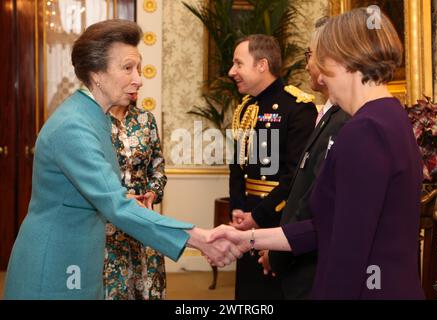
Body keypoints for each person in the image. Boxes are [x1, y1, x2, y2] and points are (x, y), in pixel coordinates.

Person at [3, 19, 241, 300]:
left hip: (80, 257)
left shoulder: (93, 118)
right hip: (55, 264)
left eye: (138, 68)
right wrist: (199, 238)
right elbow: (114, 204)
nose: (138, 79)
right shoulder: (74, 126)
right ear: (96, 73)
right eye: (127, 68)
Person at [213, 8, 425, 299]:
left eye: (320, 60)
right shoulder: (391, 115)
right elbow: (326, 226)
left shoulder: (364, 130)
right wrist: (247, 238)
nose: (321, 77)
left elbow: (347, 252)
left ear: (344, 61)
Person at [256, 17, 350, 299]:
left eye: (310, 55)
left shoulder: (301, 109)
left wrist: (275, 248)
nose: (308, 63)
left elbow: (309, 196)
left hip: (308, 257)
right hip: (283, 239)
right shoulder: (249, 109)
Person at [228, 34, 317, 299]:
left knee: (272, 292)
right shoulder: (246, 108)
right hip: (247, 217)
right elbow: (238, 166)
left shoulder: (297, 107)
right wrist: (238, 208)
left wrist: (259, 215)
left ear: (262, 65)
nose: (232, 71)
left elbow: (296, 177)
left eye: (238, 64)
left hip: (278, 219)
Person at [103, 97, 168, 300]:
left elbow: (157, 165)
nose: (136, 81)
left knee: (147, 283)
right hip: (108, 216)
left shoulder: (145, 119)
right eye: (128, 70)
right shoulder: (95, 120)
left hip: (143, 214)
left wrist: (152, 192)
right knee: (115, 286)